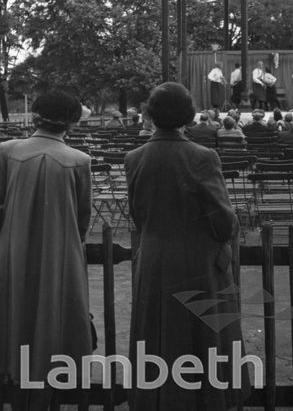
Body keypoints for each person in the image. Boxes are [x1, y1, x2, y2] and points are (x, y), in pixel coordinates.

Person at [124, 82, 249, 410]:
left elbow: (138, 215)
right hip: (196, 262)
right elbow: (224, 222)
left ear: (150, 115)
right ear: (188, 114)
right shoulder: (202, 156)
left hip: (152, 258)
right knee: (201, 338)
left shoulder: (134, 158)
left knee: (156, 335)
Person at [0, 90, 93, 410]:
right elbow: (83, 220)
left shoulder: (6, 151)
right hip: (60, 254)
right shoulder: (80, 161)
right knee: (53, 317)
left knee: (15, 313)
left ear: (35, 116)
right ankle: (51, 380)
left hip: (12, 249)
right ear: (72, 123)